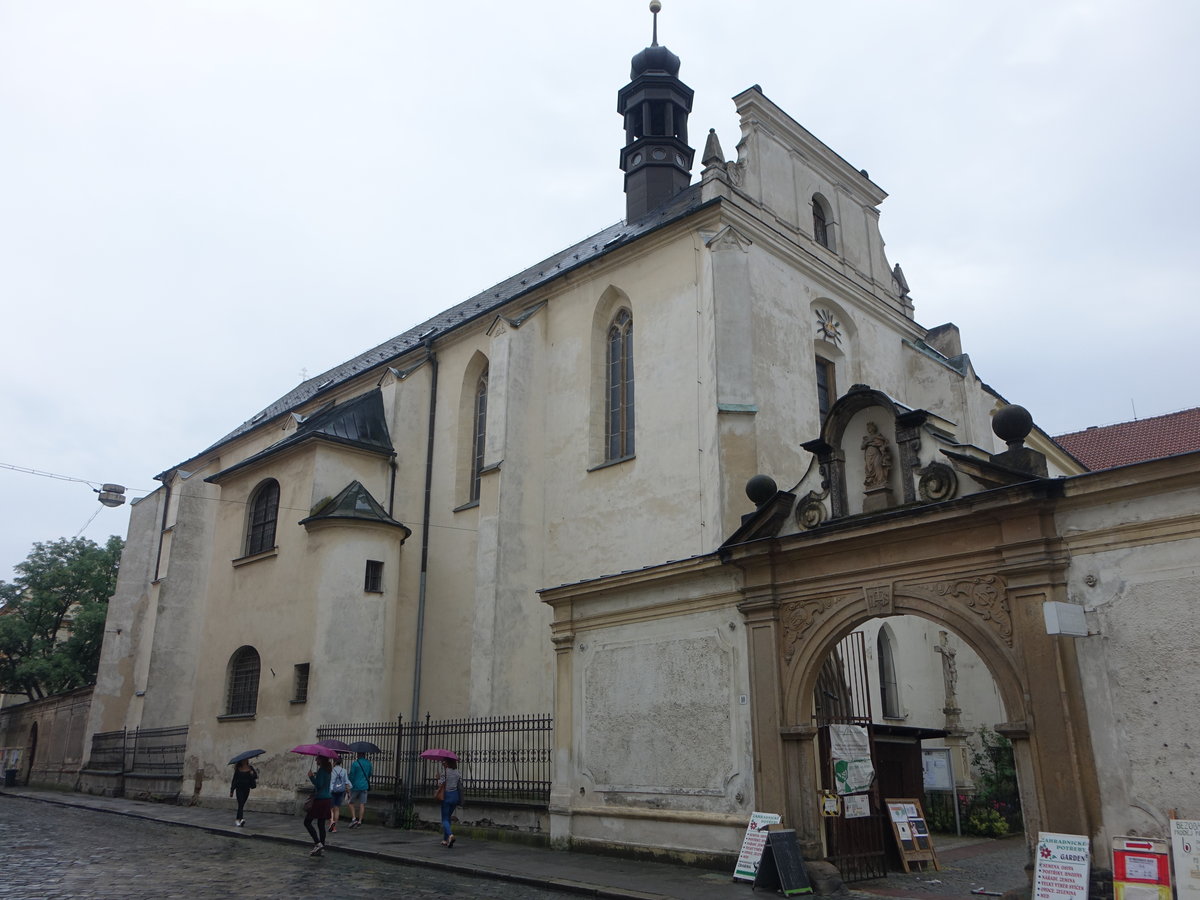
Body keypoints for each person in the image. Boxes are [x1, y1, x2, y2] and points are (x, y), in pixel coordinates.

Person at [305, 756, 333, 856]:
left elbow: (319, 785)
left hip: (320, 800)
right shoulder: (328, 770)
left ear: (322, 760)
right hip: (327, 800)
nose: (316, 760)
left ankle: (318, 843)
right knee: (321, 824)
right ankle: (321, 847)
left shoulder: (322, 770)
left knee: (307, 822)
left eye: (317, 759)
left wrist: (311, 777)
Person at [436, 759, 463, 848]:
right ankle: (445, 840)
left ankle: (450, 835)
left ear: (448, 763)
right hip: (455, 797)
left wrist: (438, 778)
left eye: (445, 761)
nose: (443, 762)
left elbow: (440, 784)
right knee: (448, 818)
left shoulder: (445, 772)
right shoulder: (457, 772)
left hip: (447, 796)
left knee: (444, 819)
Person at [347, 751, 373, 828]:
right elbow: (370, 774)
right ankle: (360, 821)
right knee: (362, 804)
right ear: (364, 755)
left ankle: (354, 819)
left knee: (351, 802)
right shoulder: (368, 763)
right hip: (364, 786)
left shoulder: (355, 764)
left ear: (358, 755)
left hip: (355, 786)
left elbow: (351, 775)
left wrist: (349, 784)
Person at [229, 759, 258, 826]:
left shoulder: (250, 768)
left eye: (246, 760)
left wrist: (252, 774)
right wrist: (232, 790)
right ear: (241, 761)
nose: (245, 761)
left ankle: (237, 820)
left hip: (246, 789)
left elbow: (255, 776)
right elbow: (234, 780)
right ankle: (241, 819)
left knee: (241, 805)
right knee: (241, 803)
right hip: (239, 789)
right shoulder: (238, 769)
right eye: (243, 760)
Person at [328, 755, 349, 833]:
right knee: (337, 808)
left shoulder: (331, 770)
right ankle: (334, 827)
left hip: (332, 790)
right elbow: (346, 782)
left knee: (331, 808)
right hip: (341, 791)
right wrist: (348, 791)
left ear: (334, 761)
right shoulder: (344, 770)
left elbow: (329, 780)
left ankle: (331, 822)